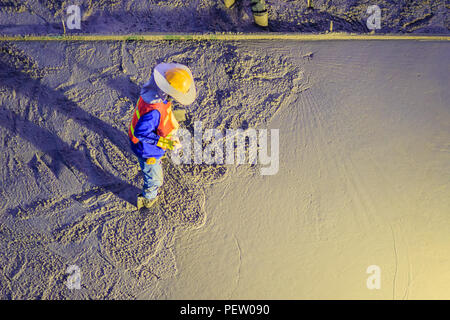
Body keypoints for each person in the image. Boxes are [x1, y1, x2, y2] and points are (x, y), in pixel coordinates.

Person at [128, 63, 196, 209]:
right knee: (155, 180)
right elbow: (141, 132)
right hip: (146, 149)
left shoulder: (153, 90)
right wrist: (166, 143)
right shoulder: (154, 111)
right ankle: (147, 200)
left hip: (148, 131)